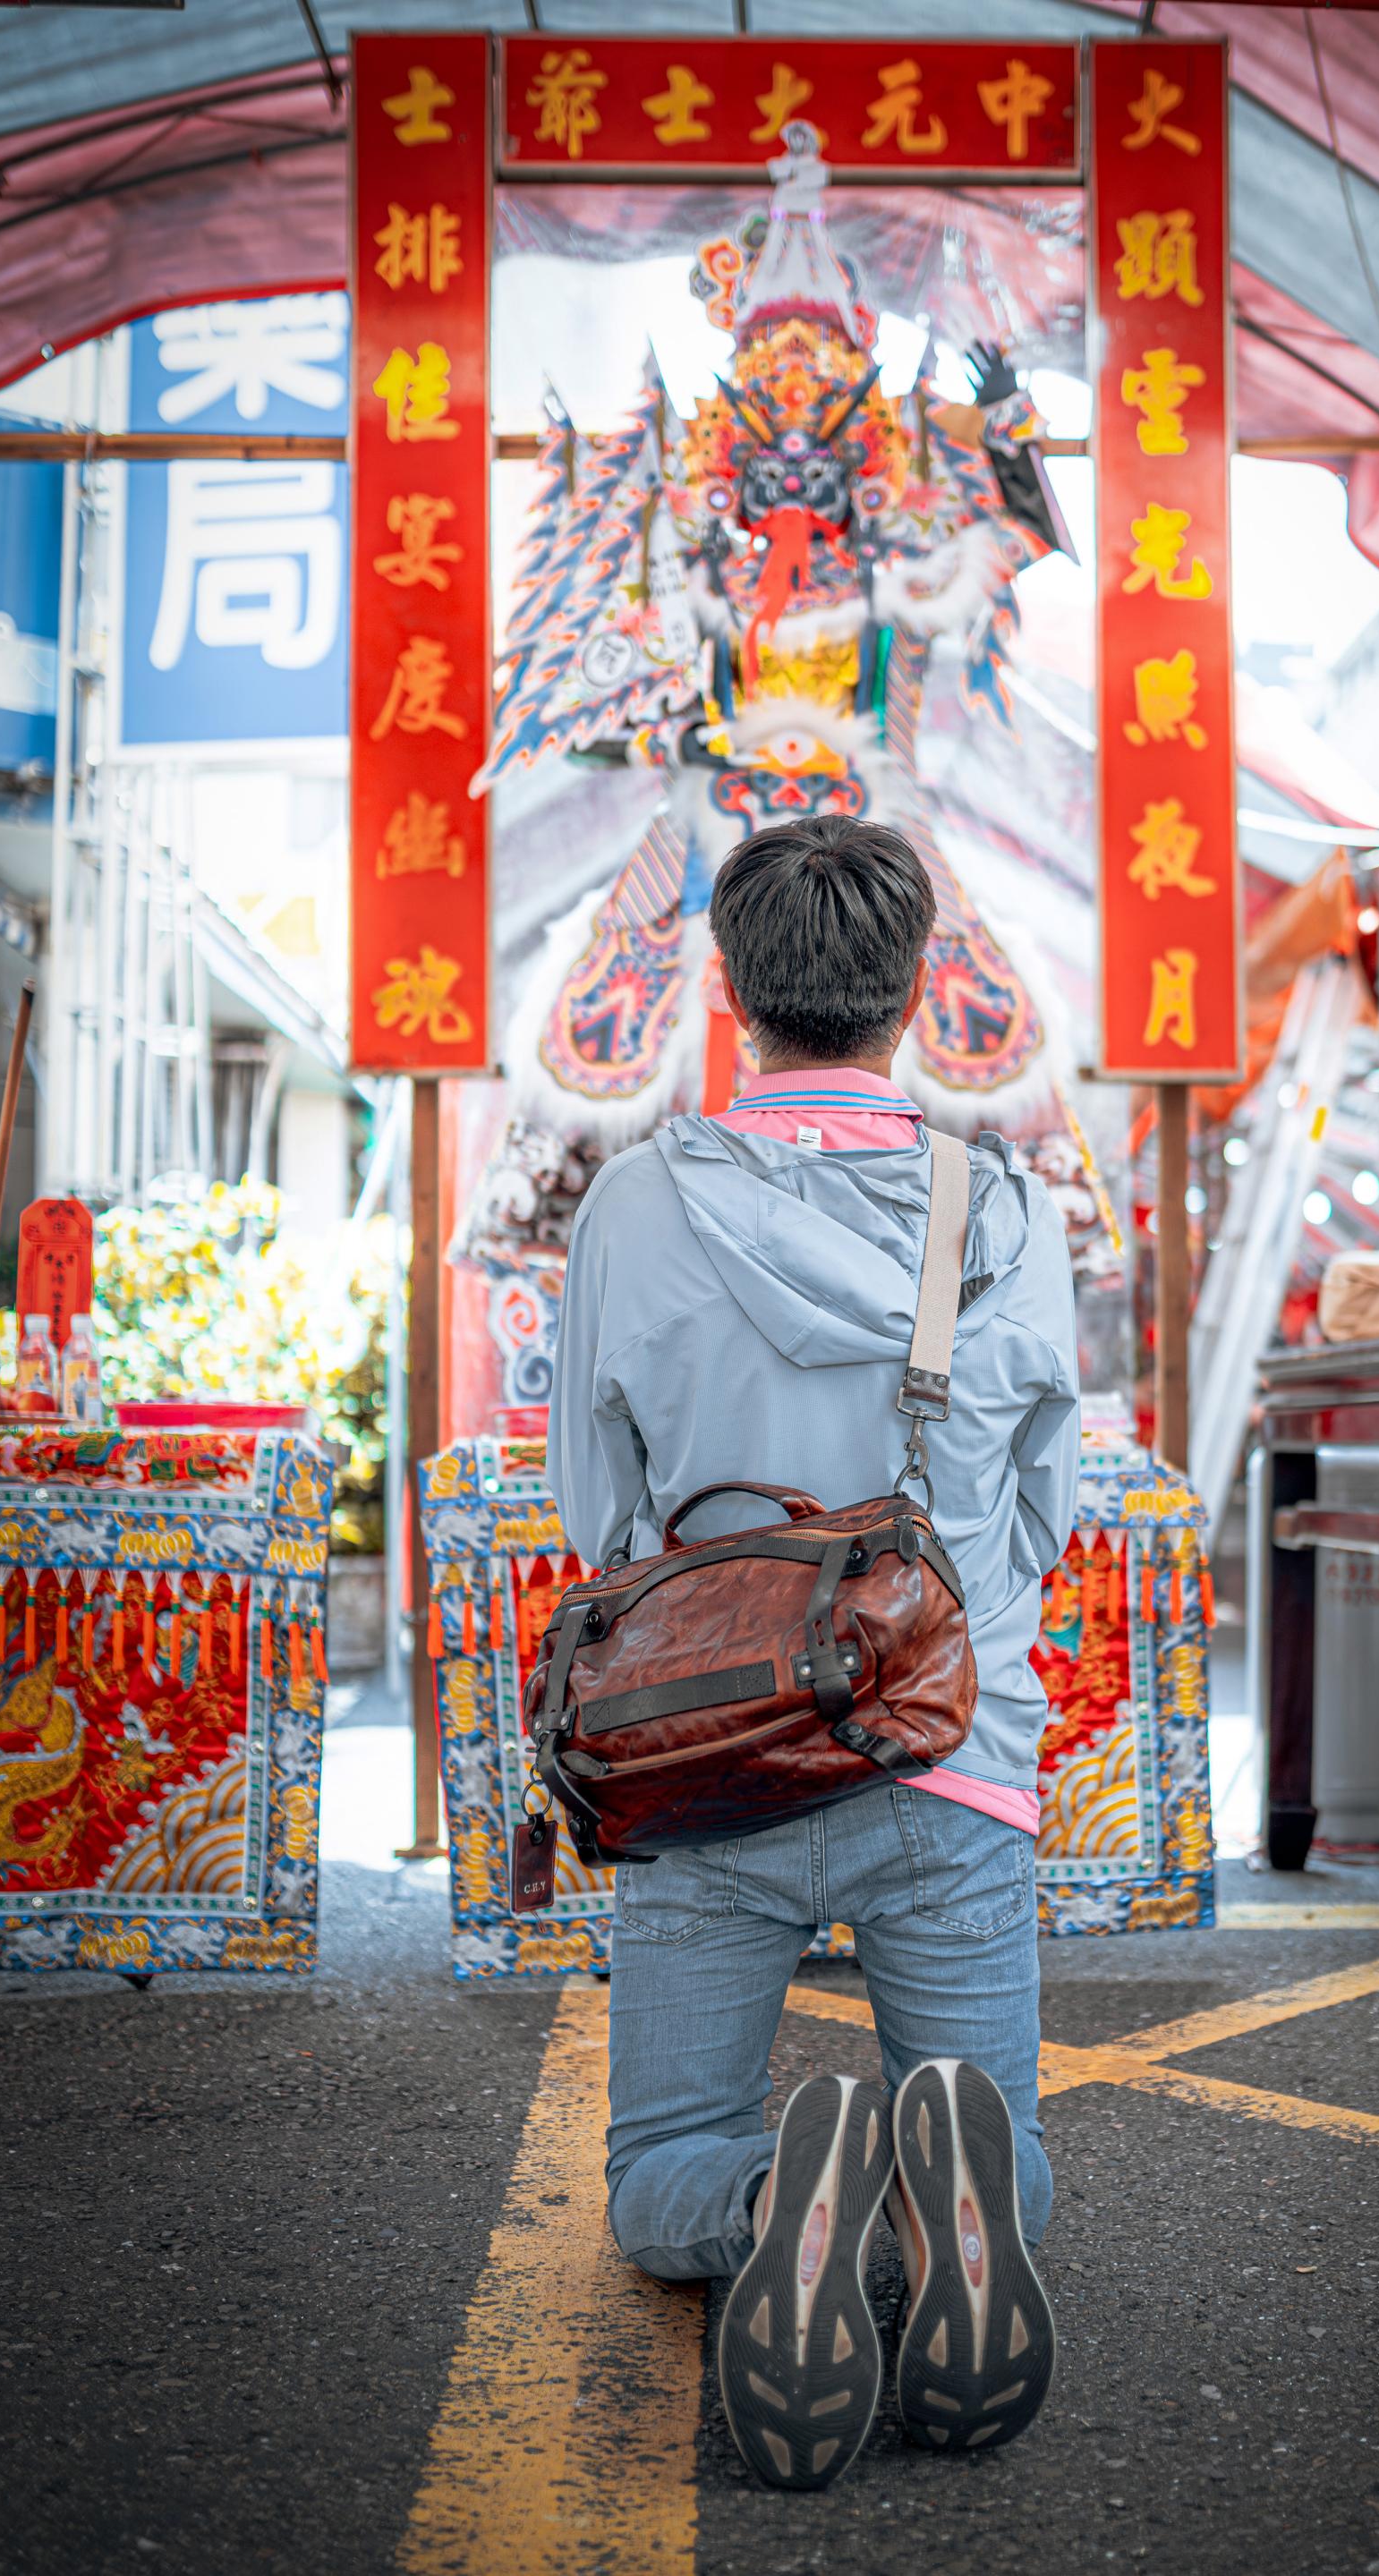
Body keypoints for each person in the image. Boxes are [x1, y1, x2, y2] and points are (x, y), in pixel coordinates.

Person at [548, 812, 1080, 2489]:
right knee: (1011, 2153)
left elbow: (598, 1514)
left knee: (659, 2174)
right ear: (916, 992)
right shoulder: (1002, 1210)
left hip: (708, 1767)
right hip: (950, 1764)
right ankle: (940, 2208)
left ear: (730, 987)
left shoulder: (633, 1208)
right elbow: (1042, 1513)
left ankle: (779, 2195)